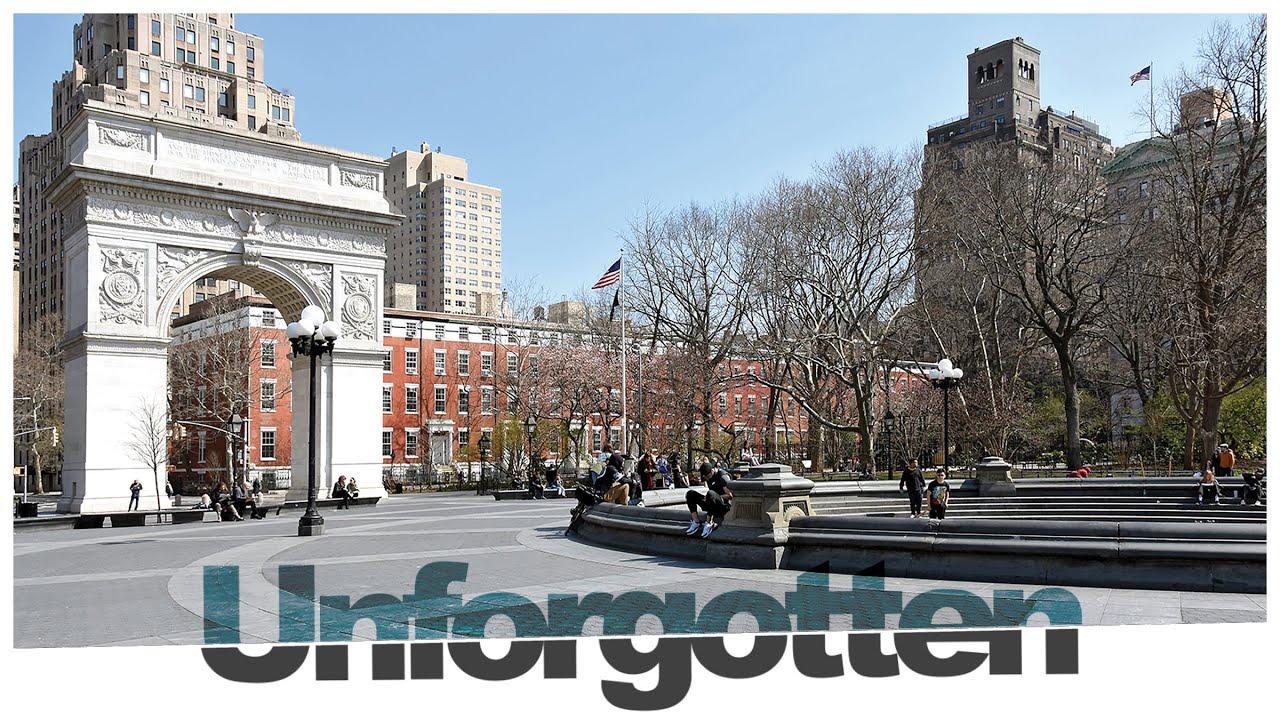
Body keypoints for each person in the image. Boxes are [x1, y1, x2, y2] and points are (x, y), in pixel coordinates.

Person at [685, 462, 733, 538]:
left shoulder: (723, 476)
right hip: (712, 502)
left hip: (723, 506)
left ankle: (709, 523)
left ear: (712, 471)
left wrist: (716, 497)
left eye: (707, 477)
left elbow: (730, 496)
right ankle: (697, 522)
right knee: (690, 494)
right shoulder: (707, 477)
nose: (707, 479)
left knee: (710, 494)